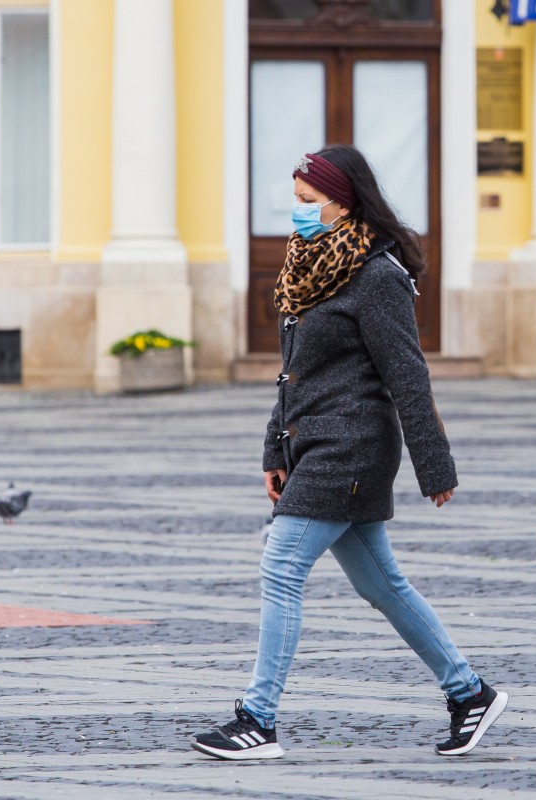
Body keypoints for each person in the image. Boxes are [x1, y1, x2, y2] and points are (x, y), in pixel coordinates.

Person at [191, 145, 507, 761]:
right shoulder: (310, 266)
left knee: (281, 565)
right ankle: (468, 693)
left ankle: (258, 719)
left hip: (353, 449)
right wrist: (273, 451)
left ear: (345, 202)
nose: (298, 212)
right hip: (313, 445)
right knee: (382, 583)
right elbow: (293, 375)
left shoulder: (378, 276)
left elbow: (408, 376)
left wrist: (434, 465)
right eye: (297, 200)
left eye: (309, 202)